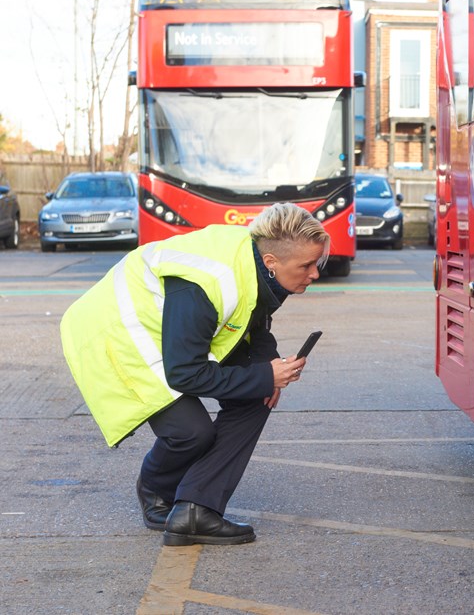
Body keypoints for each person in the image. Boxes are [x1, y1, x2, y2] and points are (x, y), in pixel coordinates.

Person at [60, 203, 330, 546]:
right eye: (307, 265)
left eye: (317, 263)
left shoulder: (255, 261)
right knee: (192, 432)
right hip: (115, 334)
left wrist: (267, 368)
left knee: (256, 396)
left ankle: (195, 508)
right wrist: (263, 375)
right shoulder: (206, 284)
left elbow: (253, 320)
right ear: (271, 263)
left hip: (169, 331)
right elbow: (185, 374)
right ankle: (156, 492)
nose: (315, 274)